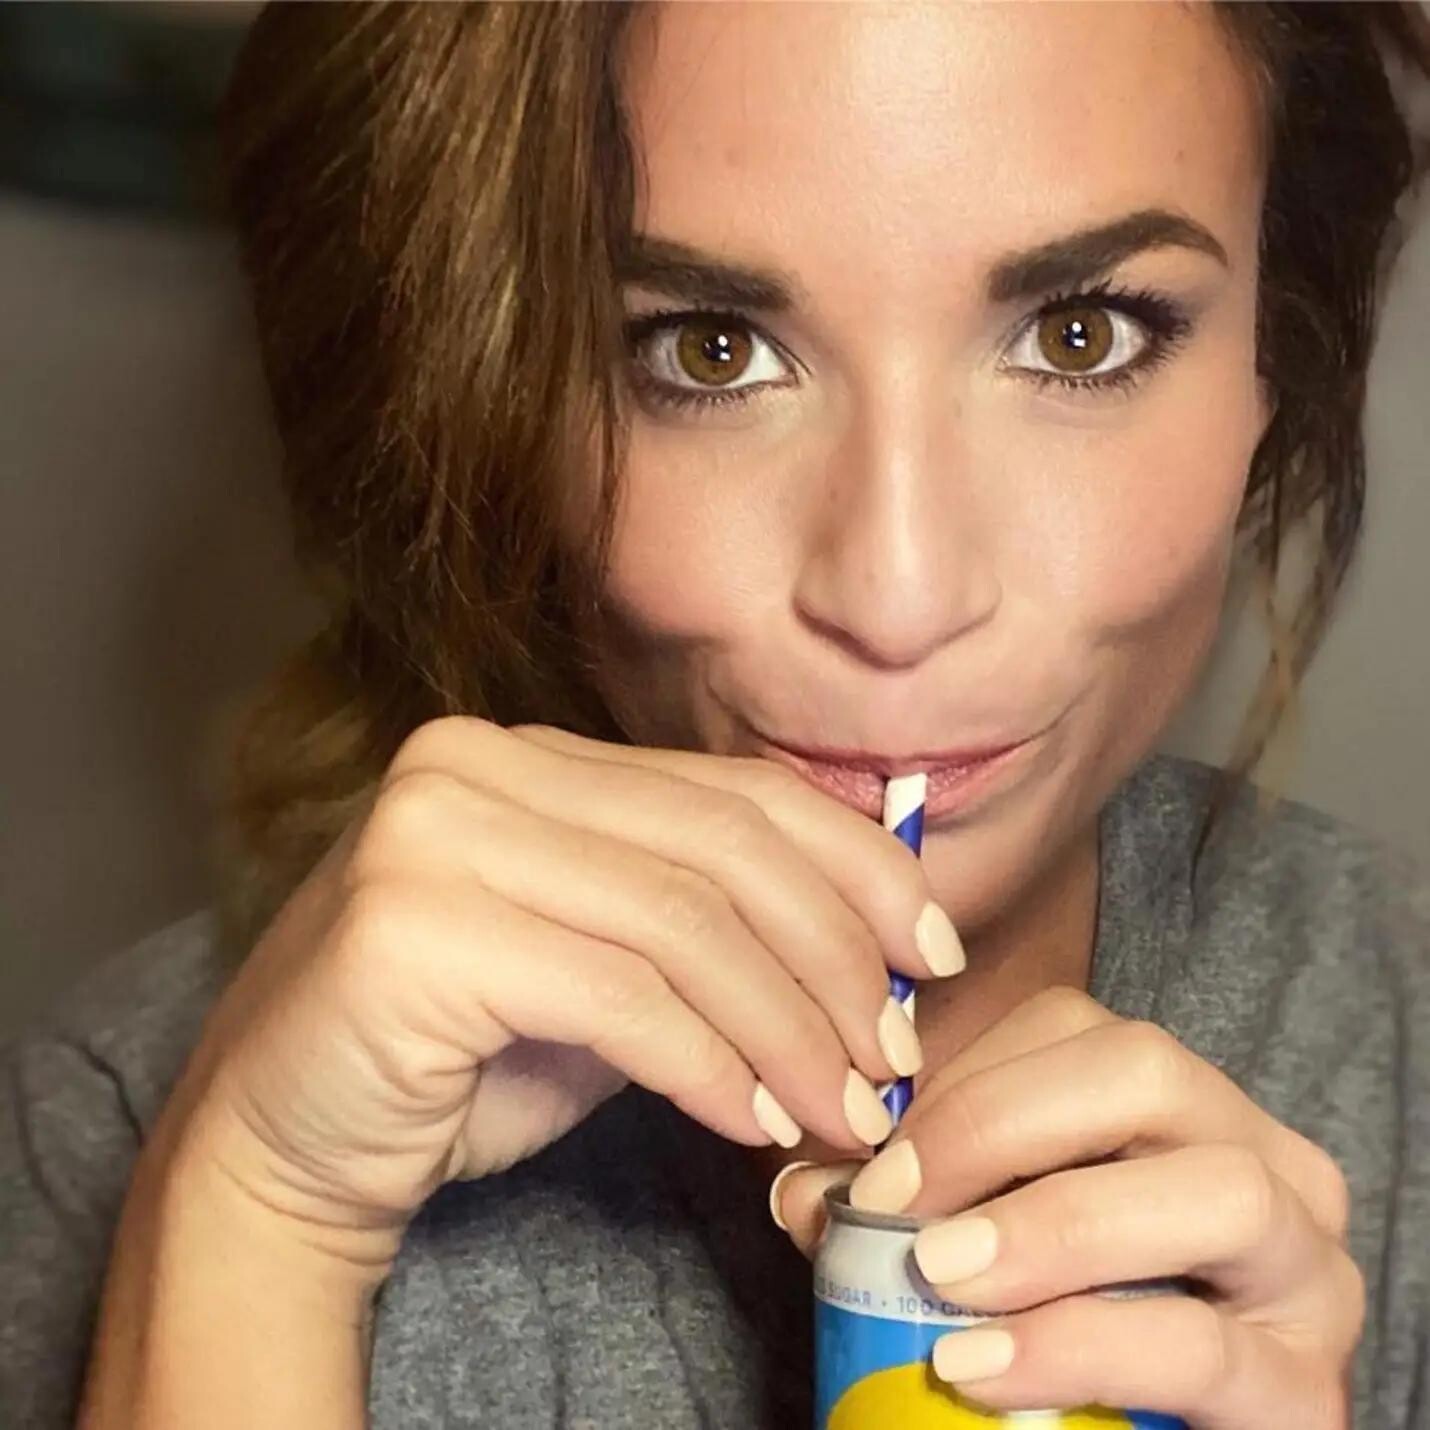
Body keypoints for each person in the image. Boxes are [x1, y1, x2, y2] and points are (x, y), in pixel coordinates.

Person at [3, 2, 1428, 1426]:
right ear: (495, 403)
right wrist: (259, 1220)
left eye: (1080, 334)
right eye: (710, 351)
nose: (898, 596)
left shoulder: (1403, 1049)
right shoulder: (133, 1115)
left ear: (1277, 360)